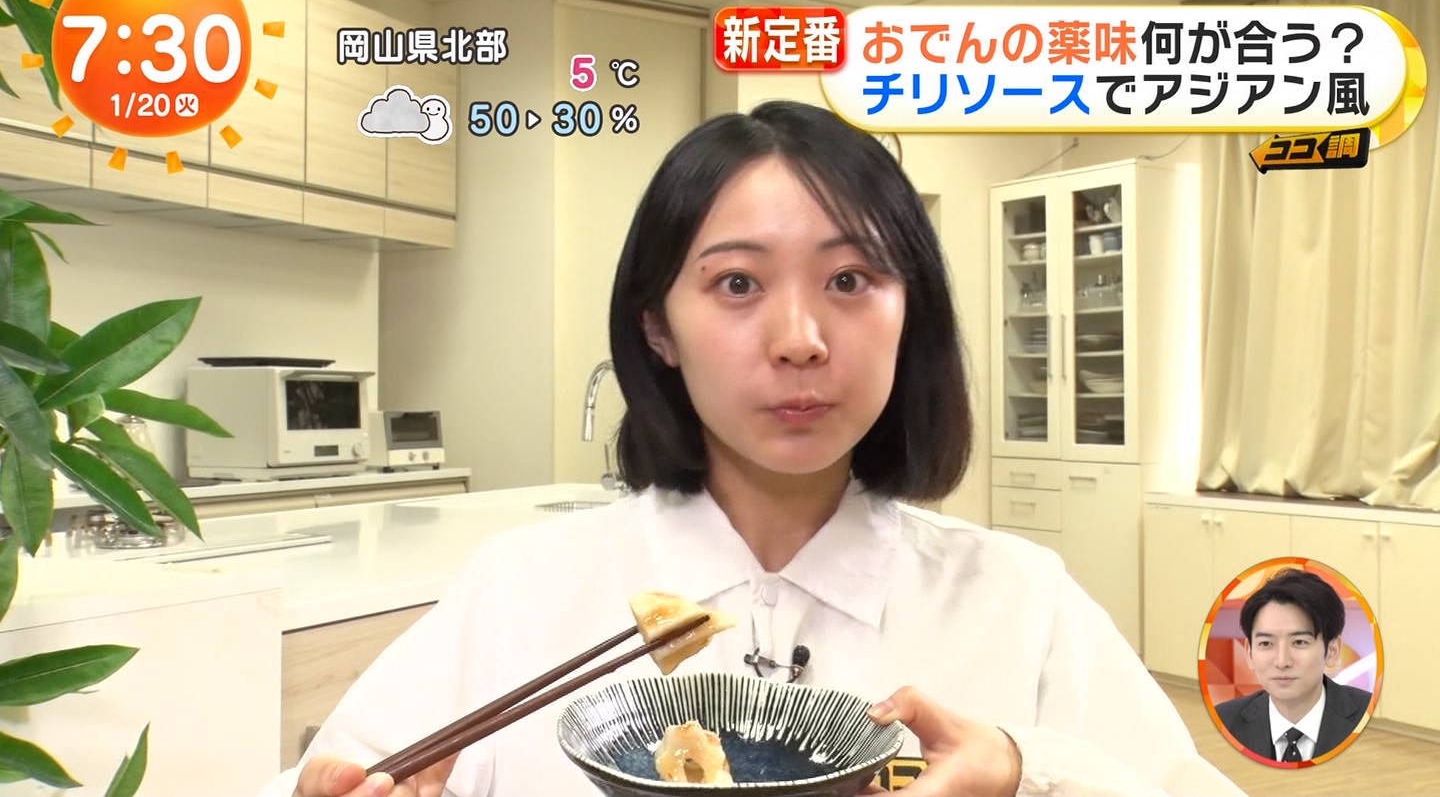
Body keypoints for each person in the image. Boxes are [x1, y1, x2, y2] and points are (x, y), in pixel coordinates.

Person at [261, 101, 1246, 797]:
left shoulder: (1018, 603)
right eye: (737, 284)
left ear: (910, 314)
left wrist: (1029, 772)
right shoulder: (521, 592)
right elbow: (337, 775)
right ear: (657, 327)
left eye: (850, 280)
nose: (800, 339)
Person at [1214, 568, 1373, 763]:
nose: (1282, 662)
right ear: (1249, 653)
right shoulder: (1225, 720)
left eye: (1299, 642)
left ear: (1332, 650)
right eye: (1266, 643)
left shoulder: (1367, 716)